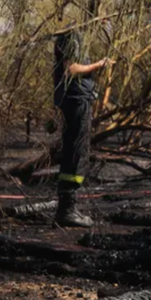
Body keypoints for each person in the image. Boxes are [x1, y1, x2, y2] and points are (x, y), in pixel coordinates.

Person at [53, 28, 114, 227]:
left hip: (79, 100)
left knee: (75, 152)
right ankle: (67, 210)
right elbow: (70, 68)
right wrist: (98, 64)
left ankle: (68, 207)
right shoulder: (72, 37)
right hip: (76, 102)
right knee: (76, 153)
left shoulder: (77, 37)